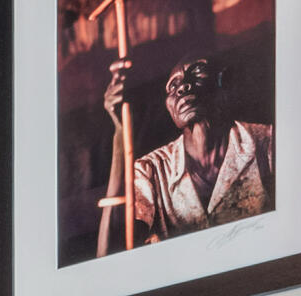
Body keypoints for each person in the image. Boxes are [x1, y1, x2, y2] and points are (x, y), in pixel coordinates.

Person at [99, 55, 275, 251]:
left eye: (197, 73)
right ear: (168, 106)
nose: (183, 87)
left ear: (221, 82)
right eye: (173, 86)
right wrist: (121, 132)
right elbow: (109, 255)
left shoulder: (267, 144)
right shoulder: (153, 170)